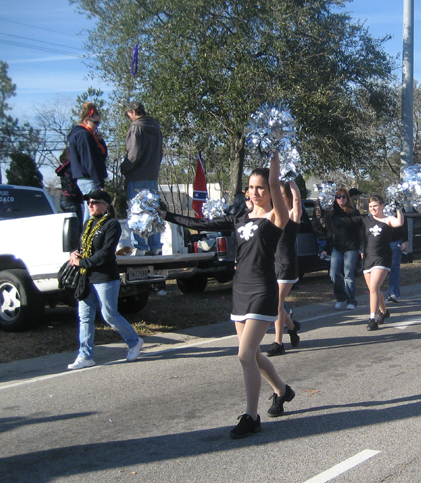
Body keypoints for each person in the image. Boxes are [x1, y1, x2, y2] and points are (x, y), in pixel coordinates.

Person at [162, 153, 294, 439]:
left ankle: (252, 416)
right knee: (255, 356)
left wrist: (274, 149)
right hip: (240, 290)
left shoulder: (276, 217)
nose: (254, 192)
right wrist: (168, 215)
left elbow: (274, 178)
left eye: (261, 187)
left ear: (271, 191)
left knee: (245, 355)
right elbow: (204, 225)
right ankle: (282, 390)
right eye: (250, 187)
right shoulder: (239, 217)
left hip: (262, 290)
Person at [67, 190, 143, 370]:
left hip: (105, 277)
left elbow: (105, 254)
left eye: (95, 202)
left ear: (105, 205)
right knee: (85, 317)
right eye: (89, 202)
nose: (90, 205)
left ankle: (134, 341)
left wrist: (82, 261)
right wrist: (75, 254)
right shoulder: (88, 224)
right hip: (86, 276)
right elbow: (83, 246)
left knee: (109, 314)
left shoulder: (112, 225)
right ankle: (85, 356)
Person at [339, 196, 405, 330]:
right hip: (369, 257)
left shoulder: (388, 219)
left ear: (382, 205)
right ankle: (384, 312)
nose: (373, 209)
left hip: (383, 257)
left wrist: (399, 208)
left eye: (375, 205)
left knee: (374, 287)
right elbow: (350, 223)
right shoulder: (366, 219)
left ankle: (372, 318)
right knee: (373, 289)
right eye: (370, 206)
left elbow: (399, 223)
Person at [121, 102, 164, 256]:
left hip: (137, 177)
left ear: (133, 112)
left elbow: (134, 153)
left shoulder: (136, 127)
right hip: (152, 176)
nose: (129, 119)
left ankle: (141, 247)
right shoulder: (156, 128)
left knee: (137, 211)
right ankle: (156, 246)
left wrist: (125, 168)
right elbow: (160, 153)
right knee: (153, 211)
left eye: (128, 115)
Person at [266, 181, 303, 356]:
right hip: (272, 263)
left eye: (282, 193)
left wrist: (291, 180)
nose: (278, 196)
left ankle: (278, 342)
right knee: (277, 303)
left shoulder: (292, 214)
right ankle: (293, 327)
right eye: (276, 194)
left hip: (287, 263)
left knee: (278, 303)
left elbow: (297, 200)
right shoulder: (272, 214)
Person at [67, 102, 108, 223]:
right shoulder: (83, 135)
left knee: (90, 212)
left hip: (88, 179)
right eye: (95, 122)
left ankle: (86, 239)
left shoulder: (89, 135)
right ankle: (88, 239)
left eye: (99, 123)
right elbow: (90, 161)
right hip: (89, 179)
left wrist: (101, 141)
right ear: (86, 120)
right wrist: (100, 184)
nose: (97, 126)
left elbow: (102, 156)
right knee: (94, 214)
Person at [326, 188, 362, 310]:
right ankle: (341, 297)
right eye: (338, 197)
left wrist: (361, 248)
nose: (341, 199)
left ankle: (351, 300)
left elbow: (359, 229)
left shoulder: (353, 212)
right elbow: (329, 233)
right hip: (337, 247)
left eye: (344, 197)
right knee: (333, 273)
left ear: (347, 198)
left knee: (348, 274)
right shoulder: (332, 213)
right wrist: (326, 248)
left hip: (351, 247)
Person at [386, 215, 409, 303]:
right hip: (380, 242)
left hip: (395, 241)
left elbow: (403, 223)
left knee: (393, 267)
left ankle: (393, 293)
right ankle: (375, 294)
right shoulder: (375, 208)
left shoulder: (396, 206)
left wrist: (405, 241)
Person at [55, 147, 83, 219]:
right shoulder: (72, 167)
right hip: (72, 200)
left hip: (64, 199)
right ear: (70, 155)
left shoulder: (65, 167)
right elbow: (76, 184)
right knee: (77, 226)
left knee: (70, 225)